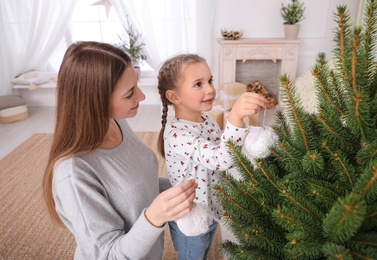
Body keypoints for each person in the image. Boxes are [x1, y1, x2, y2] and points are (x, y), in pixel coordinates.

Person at [42, 41, 198, 260]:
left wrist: (192, 185)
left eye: (136, 85)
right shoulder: (73, 174)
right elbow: (109, 255)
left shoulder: (115, 122)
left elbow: (140, 183)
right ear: (95, 101)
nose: (142, 97)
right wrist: (155, 216)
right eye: (129, 93)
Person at [157, 53, 269, 259]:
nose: (210, 89)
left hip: (212, 207)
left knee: (205, 250)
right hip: (191, 217)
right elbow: (220, 159)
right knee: (194, 253)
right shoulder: (177, 134)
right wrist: (235, 117)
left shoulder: (207, 120)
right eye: (198, 84)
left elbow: (224, 148)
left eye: (209, 80)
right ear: (174, 97)